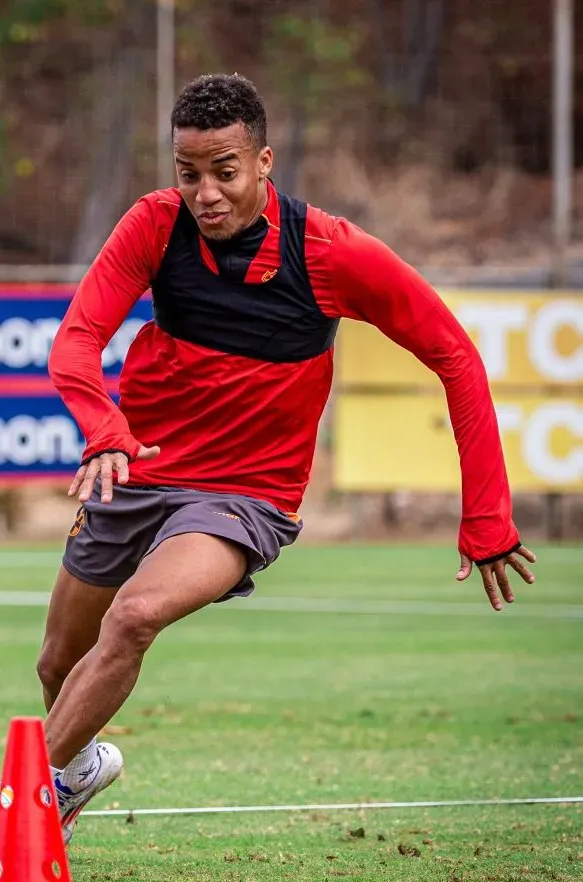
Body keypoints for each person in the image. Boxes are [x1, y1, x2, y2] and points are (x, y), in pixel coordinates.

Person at [39, 73, 537, 843]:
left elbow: (454, 355)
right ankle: (71, 776)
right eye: (187, 172)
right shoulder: (153, 225)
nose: (204, 192)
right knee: (55, 665)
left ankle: (16, 809)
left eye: (224, 171)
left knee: (136, 615)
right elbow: (75, 342)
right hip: (136, 466)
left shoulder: (332, 253)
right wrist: (103, 427)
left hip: (244, 496)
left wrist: (485, 516)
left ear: (264, 162)